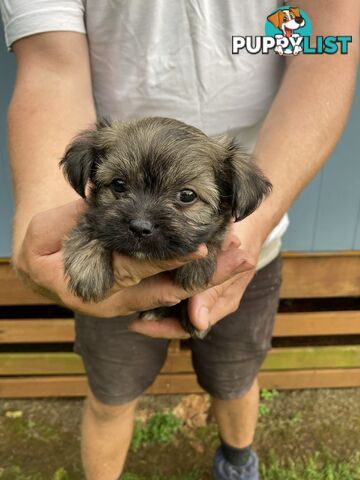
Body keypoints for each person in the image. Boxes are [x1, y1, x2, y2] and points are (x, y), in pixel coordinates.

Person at [1, 1, 358, 479]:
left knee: (235, 378)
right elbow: (49, 65)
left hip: (250, 253)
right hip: (109, 281)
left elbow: (324, 48)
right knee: (111, 393)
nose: (144, 222)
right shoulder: (94, 173)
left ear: (233, 197)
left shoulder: (242, 192)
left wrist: (245, 235)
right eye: (120, 187)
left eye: (186, 197)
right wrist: (49, 229)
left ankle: (238, 459)